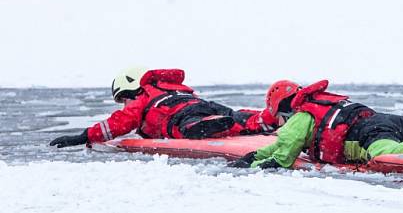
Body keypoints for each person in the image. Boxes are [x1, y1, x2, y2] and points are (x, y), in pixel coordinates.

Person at [228, 79, 403, 169]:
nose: (279, 122)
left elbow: (285, 154)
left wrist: (255, 165)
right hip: (387, 120)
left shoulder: (299, 118)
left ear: (282, 109)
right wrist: (254, 153)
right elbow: (279, 146)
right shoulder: (321, 106)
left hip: (367, 134)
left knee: (386, 156)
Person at [49, 67, 276, 148]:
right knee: (236, 117)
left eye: (123, 100)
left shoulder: (143, 98)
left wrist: (84, 136)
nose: (124, 104)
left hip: (178, 116)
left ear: (131, 89)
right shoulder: (173, 87)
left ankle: (206, 126)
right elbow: (194, 101)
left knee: (185, 127)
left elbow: (120, 123)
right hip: (202, 104)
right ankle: (269, 118)